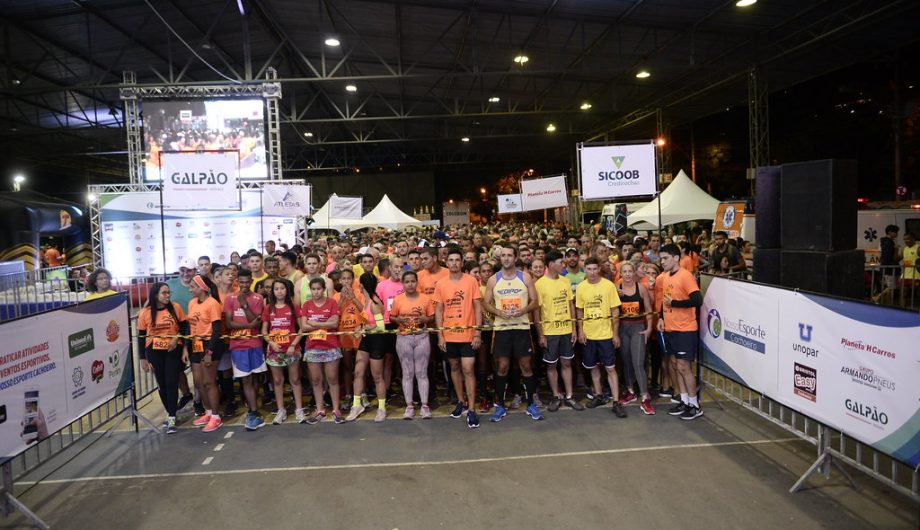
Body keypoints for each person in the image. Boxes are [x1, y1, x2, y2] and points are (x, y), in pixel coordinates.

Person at [484, 246, 543, 422]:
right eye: (503, 256)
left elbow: (535, 302)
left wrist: (523, 310)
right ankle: (500, 405)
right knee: (502, 367)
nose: (507, 258)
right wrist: (498, 312)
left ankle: (531, 403)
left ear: (515, 257)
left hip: (521, 328)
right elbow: (485, 303)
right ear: (499, 258)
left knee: (525, 365)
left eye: (510, 255)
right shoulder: (493, 280)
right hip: (502, 330)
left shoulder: (525, 277)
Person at [434, 247, 483, 429]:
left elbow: (478, 307)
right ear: (446, 262)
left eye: (457, 260)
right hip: (449, 334)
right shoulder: (440, 284)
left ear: (462, 262)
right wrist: (440, 335)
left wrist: (477, 332)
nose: (454, 263)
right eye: (451, 260)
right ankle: (461, 402)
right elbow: (439, 311)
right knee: (454, 367)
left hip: (468, 334)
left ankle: (471, 409)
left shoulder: (471, 281)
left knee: (468, 369)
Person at [576, 257, 627, 418]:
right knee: (593, 367)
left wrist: (615, 333)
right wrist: (581, 331)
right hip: (589, 334)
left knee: (610, 368)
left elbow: (615, 311)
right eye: (588, 269)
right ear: (585, 269)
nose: (592, 272)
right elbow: (579, 311)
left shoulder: (608, 285)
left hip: (606, 334)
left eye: (594, 269)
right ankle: (598, 395)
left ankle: (616, 402)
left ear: (599, 269)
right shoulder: (581, 287)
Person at [658, 243, 704, 420]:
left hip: (685, 329)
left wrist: (675, 304)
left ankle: (695, 405)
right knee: (676, 366)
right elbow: (665, 300)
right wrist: (662, 317)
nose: (662, 261)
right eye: (661, 258)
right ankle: (685, 401)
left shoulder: (685, 276)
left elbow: (698, 300)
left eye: (665, 258)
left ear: (676, 258)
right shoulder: (666, 276)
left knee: (685, 367)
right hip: (671, 327)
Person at [535, 251, 583, 412]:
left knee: (567, 362)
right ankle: (556, 396)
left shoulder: (565, 281)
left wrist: (574, 328)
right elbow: (537, 312)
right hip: (550, 332)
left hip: (566, 330)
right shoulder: (539, 284)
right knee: (551, 365)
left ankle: (569, 395)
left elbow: (571, 305)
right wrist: (541, 334)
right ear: (550, 265)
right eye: (560, 262)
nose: (563, 264)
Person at [137, 282, 187, 434]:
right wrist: (142, 359)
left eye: (168, 292)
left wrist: (176, 338)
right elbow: (140, 336)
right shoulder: (145, 312)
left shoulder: (176, 308)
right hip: (154, 351)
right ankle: (169, 411)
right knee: (162, 383)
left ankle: (172, 416)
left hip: (173, 348)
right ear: (155, 295)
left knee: (171, 381)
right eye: (164, 293)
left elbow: (185, 327)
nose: (167, 296)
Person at [223, 268, 268, 431]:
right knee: (246, 379)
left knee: (256, 379)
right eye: (240, 282)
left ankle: (252, 406)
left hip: (255, 344)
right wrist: (249, 326)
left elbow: (255, 321)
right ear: (237, 282)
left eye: (247, 282)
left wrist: (244, 305)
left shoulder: (258, 298)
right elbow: (229, 324)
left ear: (251, 281)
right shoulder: (229, 298)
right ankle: (254, 412)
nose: (244, 285)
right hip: (238, 345)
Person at [389, 270, 435, 419]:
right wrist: (399, 321)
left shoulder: (425, 299)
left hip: (422, 337)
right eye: (407, 282)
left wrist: (425, 320)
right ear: (403, 284)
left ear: (417, 282)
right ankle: (409, 406)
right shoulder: (398, 299)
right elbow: (392, 316)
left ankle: (424, 406)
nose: (410, 284)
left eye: (413, 281)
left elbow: (431, 316)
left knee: (422, 372)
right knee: (407, 373)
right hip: (404, 338)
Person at [300, 278, 345, 424]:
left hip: (330, 346)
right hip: (312, 347)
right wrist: (322, 324)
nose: (316, 292)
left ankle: (336, 410)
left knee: (332, 379)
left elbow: (334, 323)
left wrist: (315, 323)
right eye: (313, 289)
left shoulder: (331, 303)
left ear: (324, 289)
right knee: (316, 380)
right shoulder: (306, 305)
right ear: (310, 290)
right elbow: (304, 327)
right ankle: (320, 410)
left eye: (319, 289)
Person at [345, 273, 388, 422]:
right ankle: (356, 405)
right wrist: (362, 327)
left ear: (361, 286)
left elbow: (380, 326)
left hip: (377, 341)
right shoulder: (367, 300)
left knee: (377, 376)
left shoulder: (375, 302)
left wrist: (363, 329)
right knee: (358, 372)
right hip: (366, 340)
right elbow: (365, 315)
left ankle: (382, 408)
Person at [261, 278, 306, 424]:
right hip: (274, 350)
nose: (279, 291)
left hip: (292, 349)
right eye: (276, 289)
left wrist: (293, 344)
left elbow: (302, 329)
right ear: (272, 292)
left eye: (282, 288)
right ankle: (281, 410)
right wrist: (271, 342)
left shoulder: (294, 306)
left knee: (295, 379)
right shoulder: (268, 308)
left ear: (287, 290)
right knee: (278, 380)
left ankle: (299, 410)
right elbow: (264, 331)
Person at [186, 275, 225, 432]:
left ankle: (216, 417)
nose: (190, 290)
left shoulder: (213, 304)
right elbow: (190, 327)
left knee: (209, 382)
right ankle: (208, 412)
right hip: (196, 344)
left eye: (193, 287)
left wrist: (209, 351)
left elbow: (216, 331)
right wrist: (185, 348)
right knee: (199, 382)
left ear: (203, 288)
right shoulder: (192, 303)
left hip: (210, 345)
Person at [616, 262, 655, 415]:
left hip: (637, 327)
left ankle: (645, 397)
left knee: (638, 362)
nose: (627, 274)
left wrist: (649, 328)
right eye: (624, 271)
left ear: (634, 273)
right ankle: (630, 391)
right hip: (622, 328)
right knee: (625, 361)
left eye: (630, 271)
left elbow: (649, 310)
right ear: (621, 273)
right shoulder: (616, 288)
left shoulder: (641, 288)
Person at [334, 268, 365, 410]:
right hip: (344, 335)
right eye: (344, 279)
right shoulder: (335, 296)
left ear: (353, 280)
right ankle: (348, 394)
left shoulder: (359, 293)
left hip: (358, 334)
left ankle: (362, 393)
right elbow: (335, 315)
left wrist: (353, 298)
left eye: (349, 278)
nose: (346, 281)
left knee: (360, 366)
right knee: (347, 367)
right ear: (340, 281)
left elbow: (364, 311)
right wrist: (342, 299)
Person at [900, 232, 919, 307]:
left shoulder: (918, 248)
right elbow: (896, 259)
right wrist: (895, 249)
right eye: (904, 239)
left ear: (913, 239)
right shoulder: (904, 249)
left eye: (908, 239)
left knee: (918, 294)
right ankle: (903, 310)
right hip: (905, 275)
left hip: (916, 275)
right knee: (903, 293)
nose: (906, 241)